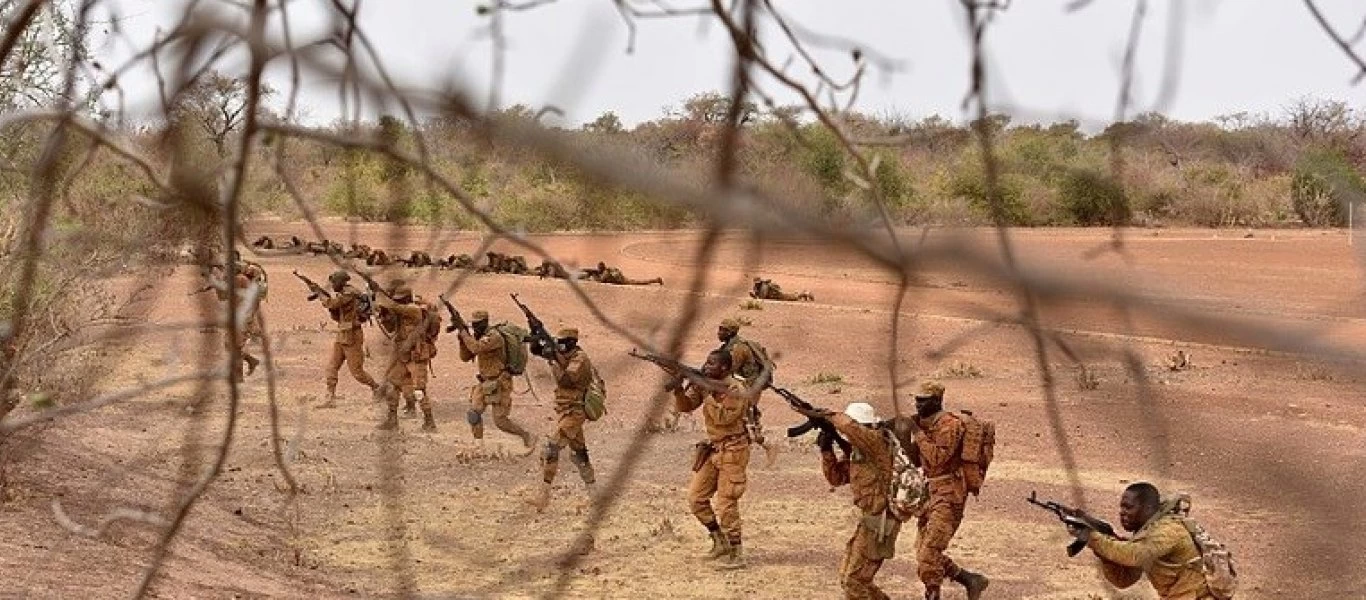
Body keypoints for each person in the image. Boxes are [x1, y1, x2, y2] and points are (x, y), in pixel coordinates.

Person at [788, 400, 905, 599]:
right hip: (870, 521)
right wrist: (827, 451)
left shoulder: (877, 442)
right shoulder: (859, 451)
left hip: (881, 522)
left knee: (854, 582)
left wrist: (826, 414)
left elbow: (849, 426)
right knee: (850, 579)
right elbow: (837, 478)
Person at [671, 349, 772, 570]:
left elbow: (723, 417)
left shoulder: (736, 389)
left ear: (725, 368)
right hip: (714, 448)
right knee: (696, 499)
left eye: (712, 364)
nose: (706, 367)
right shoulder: (708, 384)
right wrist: (679, 388)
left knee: (726, 503)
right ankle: (720, 542)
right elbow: (685, 407)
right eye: (706, 363)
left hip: (734, 450)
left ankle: (737, 553)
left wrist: (707, 392)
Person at [909, 381, 989, 600]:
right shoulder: (930, 425)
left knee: (929, 553)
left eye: (922, 401)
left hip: (949, 494)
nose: (917, 404)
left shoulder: (949, 425)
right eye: (916, 399)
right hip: (931, 493)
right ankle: (969, 579)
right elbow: (920, 460)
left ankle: (933, 595)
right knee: (924, 551)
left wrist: (917, 433)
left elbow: (937, 458)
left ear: (936, 401)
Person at [1070, 482, 1215, 599]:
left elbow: (1136, 556)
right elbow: (1125, 580)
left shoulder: (1168, 530)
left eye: (1128, 507)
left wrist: (1093, 538)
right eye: (1121, 507)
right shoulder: (1145, 533)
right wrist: (1104, 553)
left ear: (1148, 508)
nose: (1122, 512)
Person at [529, 328, 597, 511]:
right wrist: (538, 344)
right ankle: (595, 496)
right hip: (565, 411)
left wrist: (552, 358)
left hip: (575, 412)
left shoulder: (580, 359)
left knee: (552, 448)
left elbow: (566, 379)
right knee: (580, 454)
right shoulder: (565, 355)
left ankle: (543, 496)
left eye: (562, 342)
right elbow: (540, 353)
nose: (559, 345)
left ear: (572, 342)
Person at [457, 310, 536, 451]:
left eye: (477, 325)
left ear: (485, 323)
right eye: (473, 325)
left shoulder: (494, 337)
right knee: (473, 413)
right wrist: (462, 340)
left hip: (500, 383)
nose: (475, 328)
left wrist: (464, 334)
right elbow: (465, 357)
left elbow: (475, 348)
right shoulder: (479, 337)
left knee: (500, 421)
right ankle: (478, 446)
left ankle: (526, 435)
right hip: (483, 382)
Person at [373, 283, 441, 431]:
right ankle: (392, 420)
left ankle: (429, 421)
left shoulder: (413, 310)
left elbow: (397, 307)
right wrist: (384, 315)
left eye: (400, 300)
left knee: (419, 390)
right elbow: (391, 329)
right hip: (402, 354)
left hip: (417, 354)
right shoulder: (400, 313)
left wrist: (380, 295)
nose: (397, 302)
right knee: (392, 384)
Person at [715, 319, 777, 464]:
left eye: (722, 330)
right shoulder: (734, 345)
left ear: (730, 332)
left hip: (749, 388)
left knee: (743, 417)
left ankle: (766, 445)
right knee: (747, 417)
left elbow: (728, 370)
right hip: (749, 387)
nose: (719, 333)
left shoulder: (737, 349)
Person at [317, 270, 380, 408]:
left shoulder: (349, 293)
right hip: (342, 335)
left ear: (341, 282)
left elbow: (333, 304)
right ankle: (330, 398)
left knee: (357, 372)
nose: (332, 285)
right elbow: (336, 312)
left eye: (334, 282)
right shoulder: (343, 293)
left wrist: (321, 295)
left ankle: (376, 388)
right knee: (332, 367)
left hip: (352, 336)